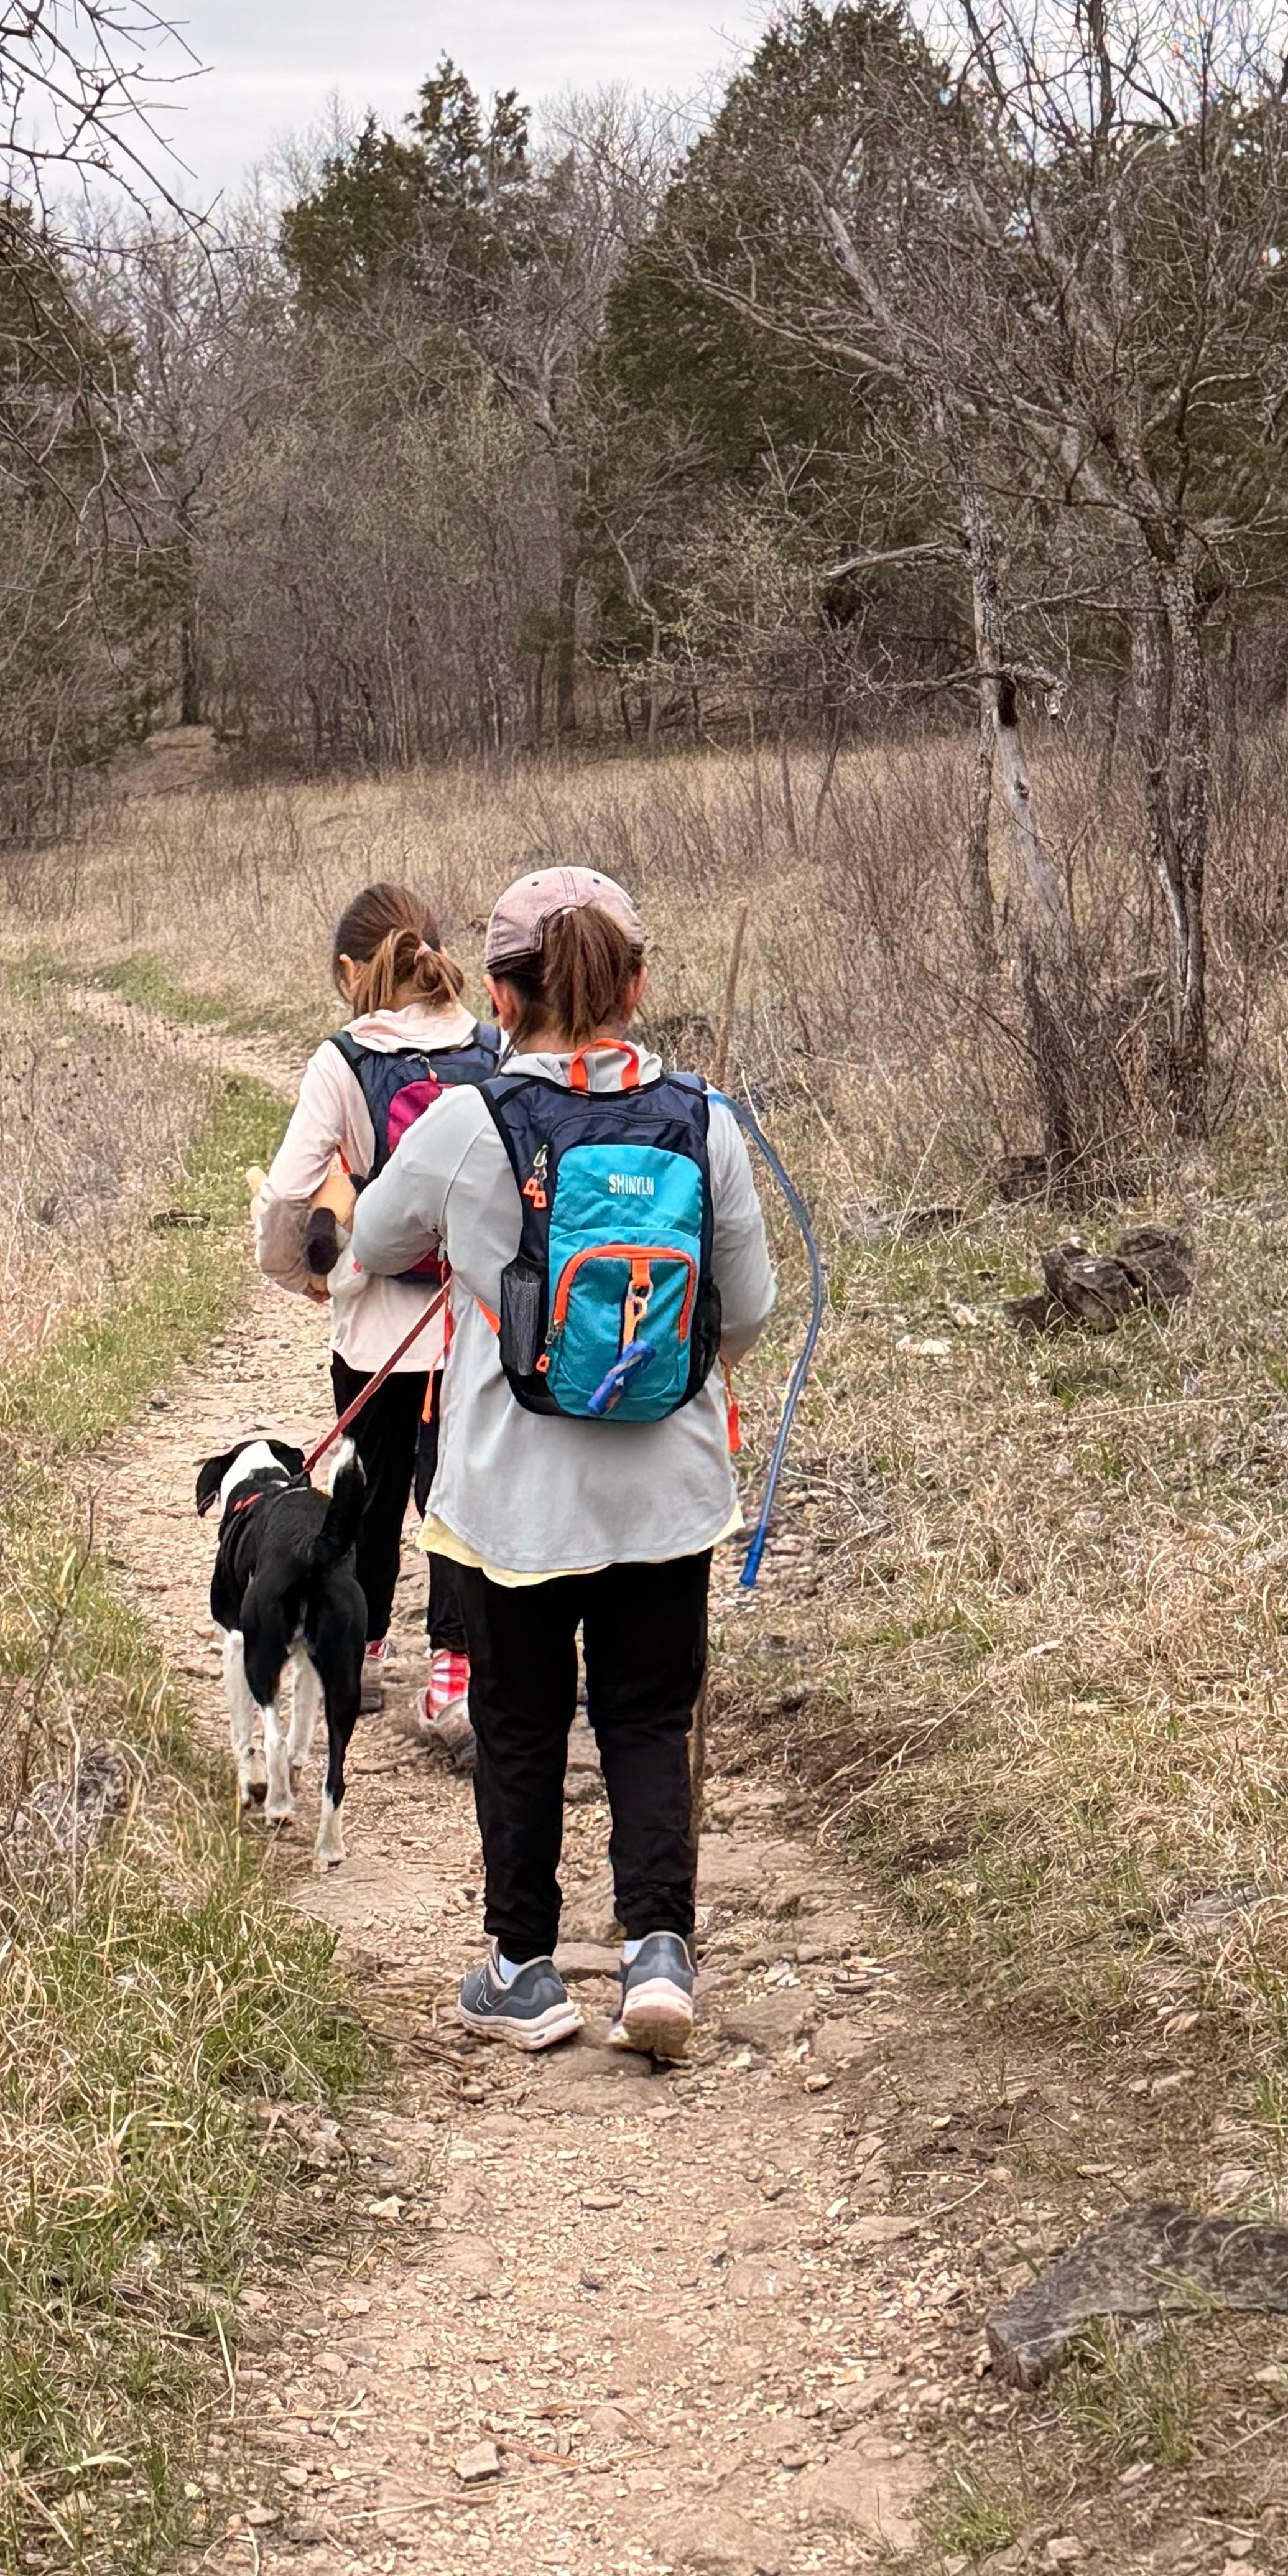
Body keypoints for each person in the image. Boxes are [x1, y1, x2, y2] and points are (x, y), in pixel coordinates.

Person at [349, 865, 775, 2058]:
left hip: (512, 1498)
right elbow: (747, 1311)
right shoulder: (704, 1121)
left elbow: (375, 1238)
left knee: (522, 1720)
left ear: (498, 994)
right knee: (646, 1714)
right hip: (667, 1489)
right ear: (637, 986)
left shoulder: (467, 1120)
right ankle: (659, 1954)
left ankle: (523, 1971)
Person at [252, 884, 498, 1736]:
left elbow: (289, 1191)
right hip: (472, 1326)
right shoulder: (492, 1046)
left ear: (350, 970)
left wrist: (303, 1276)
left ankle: (361, 1647)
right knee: (456, 1495)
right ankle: (455, 1671)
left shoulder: (344, 1060)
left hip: (375, 1333)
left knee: (370, 1489)